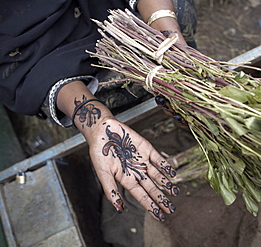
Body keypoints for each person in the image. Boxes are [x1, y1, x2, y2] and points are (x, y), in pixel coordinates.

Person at [0, 0, 197, 222]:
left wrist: (172, 48)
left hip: (109, 9)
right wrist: (97, 124)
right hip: (42, 64)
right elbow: (15, 71)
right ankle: (124, 109)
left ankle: (179, 94)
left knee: (178, 13)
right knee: (109, 95)